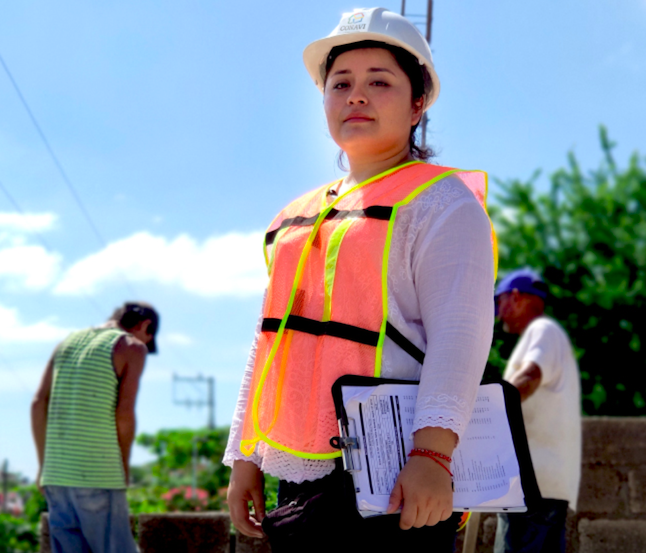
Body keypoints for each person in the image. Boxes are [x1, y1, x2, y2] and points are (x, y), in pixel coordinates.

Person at [224, 7, 496, 552]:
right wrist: (245, 456)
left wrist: (433, 454)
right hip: (298, 469)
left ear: (418, 103)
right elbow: (269, 342)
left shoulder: (443, 204)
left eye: (379, 82)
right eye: (341, 83)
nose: (356, 96)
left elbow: (460, 335)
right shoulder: (297, 216)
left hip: (396, 472)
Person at [31, 301, 160, 553]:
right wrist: (122, 465)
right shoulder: (131, 347)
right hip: (97, 472)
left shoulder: (65, 344)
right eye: (148, 338)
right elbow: (124, 414)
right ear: (145, 325)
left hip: (56, 475)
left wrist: (43, 466)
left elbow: (38, 404)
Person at [494, 269, 581, 553]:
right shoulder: (548, 334)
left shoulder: (543, 330)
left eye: (499, 302)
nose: (498, 313)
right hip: (549, 486)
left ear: (516, 298)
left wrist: (485, 413)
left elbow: (529, 377)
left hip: (531, 487)